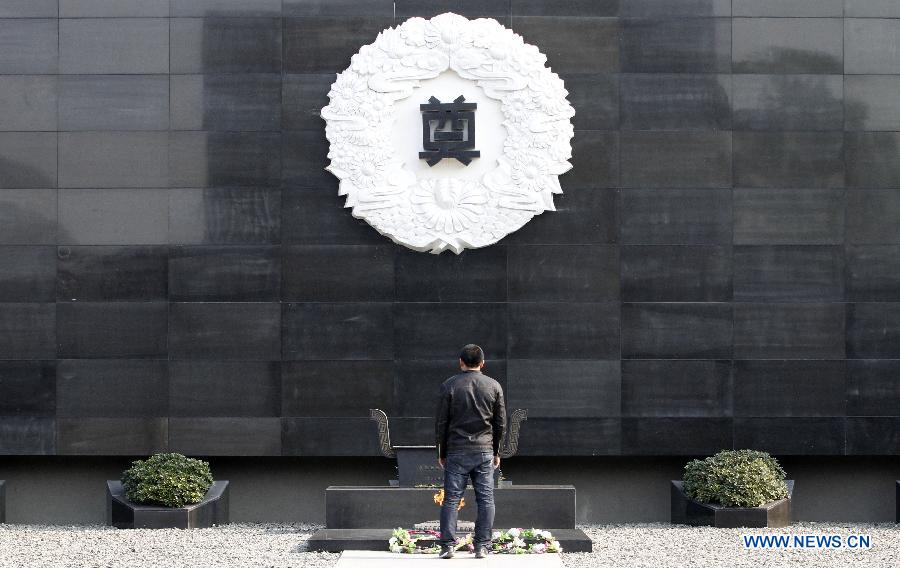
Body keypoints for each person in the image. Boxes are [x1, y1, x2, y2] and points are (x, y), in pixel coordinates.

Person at [434, 344, 507, 560]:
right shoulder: (494, 386)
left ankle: (447, 546)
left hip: (456, 450)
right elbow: (500, 423)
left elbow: (441, 423)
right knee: (485, 499)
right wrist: (497, 451)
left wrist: (441, 451)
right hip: (484, 450)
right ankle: (482, 546)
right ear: (483, 363)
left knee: (451, 500)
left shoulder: (449, 385)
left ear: (461, 362)